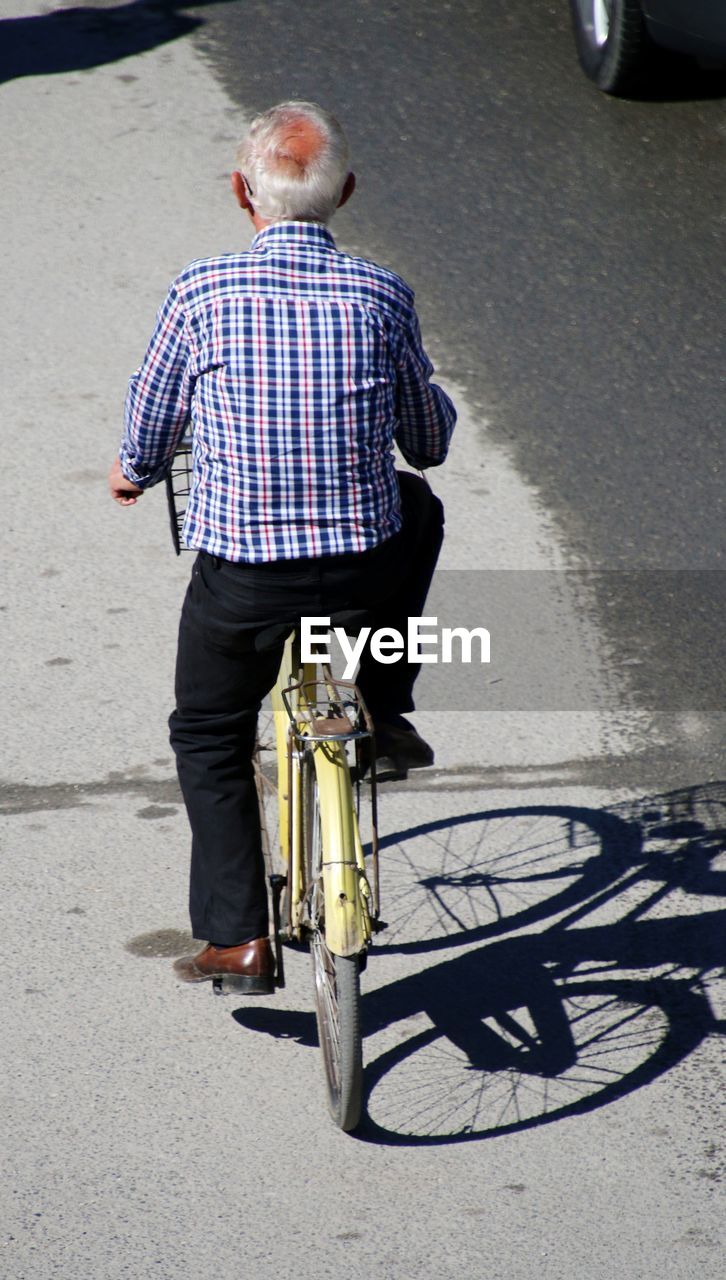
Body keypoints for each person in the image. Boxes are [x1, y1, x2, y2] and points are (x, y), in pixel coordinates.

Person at [109, 101, 456, 993]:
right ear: (345, 190)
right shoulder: (383, 294)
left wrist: (134, 470)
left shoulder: (202, 291)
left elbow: (153, 417)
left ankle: (239, 938)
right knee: (417, 505)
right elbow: (426, 440)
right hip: (362, 570)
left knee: (210, 734)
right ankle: (385, 698)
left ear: (241, 193)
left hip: (244, 584)